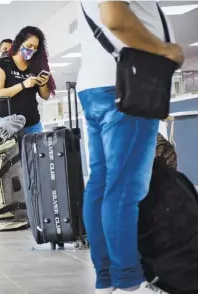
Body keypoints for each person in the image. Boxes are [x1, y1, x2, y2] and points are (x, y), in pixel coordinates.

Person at [77, 1, 184, 293]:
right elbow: (115, 18)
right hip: (127, 82)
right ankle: (129, 282)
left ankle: (108, 279)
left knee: (101, 184)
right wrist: (164, 50)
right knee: (124, 189)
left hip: (98, 84)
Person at [0, 26, 55, 135]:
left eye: (35, 48)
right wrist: (23, 84)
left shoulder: (35, 67)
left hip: (32, 124)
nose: (32, 50)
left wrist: (43, 84)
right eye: (29, 46)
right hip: (6, 123)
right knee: (11, 152)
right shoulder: (4, 64)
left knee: (35, 151)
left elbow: (45, 96)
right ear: (20, 43)